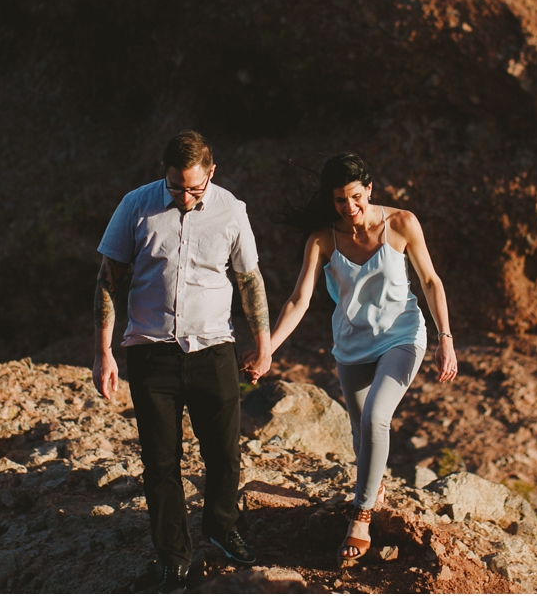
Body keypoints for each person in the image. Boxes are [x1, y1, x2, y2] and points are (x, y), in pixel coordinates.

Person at [92, 130, 272, 593]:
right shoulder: (136, 205)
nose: (186, 197)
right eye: (176, 187)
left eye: (195, 188)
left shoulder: (231, 210)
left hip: (213, 349)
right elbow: (109, 278)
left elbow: (249, 280)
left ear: (212, 173)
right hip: (150, 353)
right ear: (164, 173)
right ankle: (173, 554)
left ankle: (221, 524)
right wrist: (103, 352)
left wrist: (263, 344)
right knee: (160, 463)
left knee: (225, 453)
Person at [258, 152, 457, 565]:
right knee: (360, 428)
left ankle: (361, 514)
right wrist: (268, 349)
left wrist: (445, 338)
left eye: (355, 197)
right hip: (350, 345)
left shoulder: (402, 223)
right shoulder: (323, 238)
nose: (349, 207)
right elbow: (299, 299)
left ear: (369, 189)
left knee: (375, 418)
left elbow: (431, 281)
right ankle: (374, 485)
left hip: (402, 337)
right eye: (339, 200)